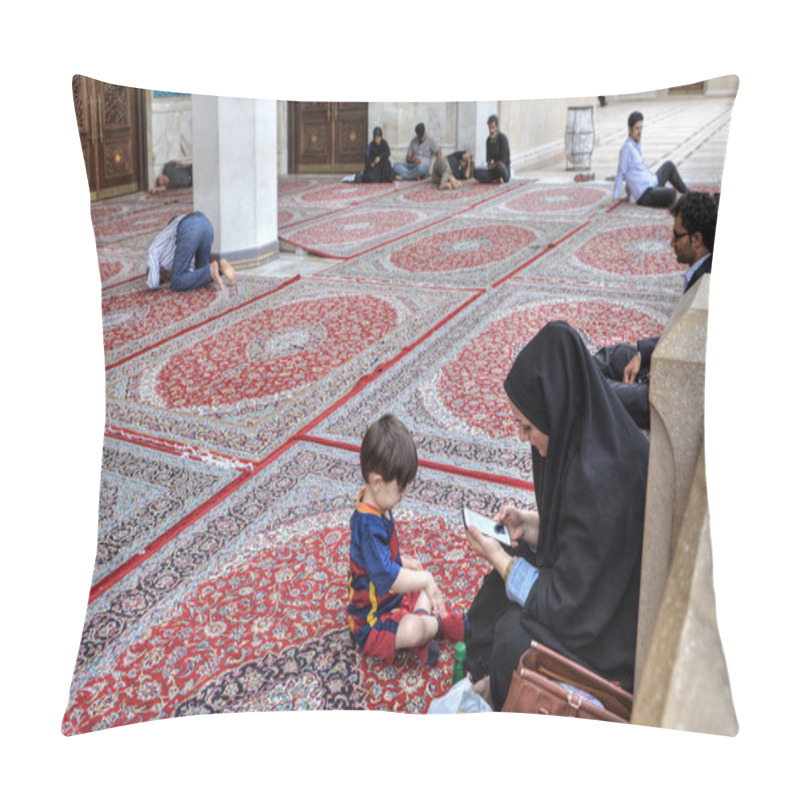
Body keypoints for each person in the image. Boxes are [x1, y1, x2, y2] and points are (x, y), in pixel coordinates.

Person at [463, 321, 648, 710]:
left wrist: (499, 557)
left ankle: (502, 689)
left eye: (528, 427)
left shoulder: (602, 478)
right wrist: (528, 524)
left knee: (512, 637)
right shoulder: (586, 436)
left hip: (608, 630)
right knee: (498, 591)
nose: (522, 438)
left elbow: (568, 603)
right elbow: (576, 533)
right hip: (590, 589)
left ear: (557, 411)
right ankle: (492, 683)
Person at [346, 414, 467, 667]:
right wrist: (424, 579)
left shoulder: (379, 505)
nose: (405, 493)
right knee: (415, 618)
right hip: (370, 622)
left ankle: (424, 629)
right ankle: (437, 625)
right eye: (400, 488)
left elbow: (381, 559)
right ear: (378, 482)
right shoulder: (367, 525)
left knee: (420, 580)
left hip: (390, 599)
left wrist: (404, 562)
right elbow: (387, 576)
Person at [593, 191, 718, 428]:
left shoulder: (708, 284)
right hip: (668, 366)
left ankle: (564, 389)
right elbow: (684, 335)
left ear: (697, 240)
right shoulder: (700, 271)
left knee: (600, 393)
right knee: (615, 355)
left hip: (674, 396)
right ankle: (565, 376)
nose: (671, 242)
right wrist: (642, 354)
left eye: (676, 235)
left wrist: (651, 372)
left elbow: (691, 355)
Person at [146, 210, 236, 292]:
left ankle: (210, 270)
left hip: (189, 227)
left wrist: (153, 283)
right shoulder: (175, 257)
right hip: (206, 225)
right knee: (200, 272)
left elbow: (153, 250)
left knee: (176, 283)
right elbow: (193, 271)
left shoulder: (171, 230)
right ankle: (221, 269)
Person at [613, 111, 688, 207]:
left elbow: (631, 174)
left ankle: (689, 195)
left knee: (669, 166)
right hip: (645, 194)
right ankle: (683, 198)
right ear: (629, 129)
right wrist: (615, 198)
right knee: (672, 193)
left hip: (653, 182)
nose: (639, 132)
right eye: (636, 128)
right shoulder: (626, 149)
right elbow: (621, 173)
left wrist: (628, 195)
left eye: (641, 128)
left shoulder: (636, 145)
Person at [474, 115, 511, 184]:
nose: (491, 130)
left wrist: (493, 166)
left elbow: (502, 161)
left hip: (503, 169)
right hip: (493, 170)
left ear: (497, 127)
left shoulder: (503, 139)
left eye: (493, 127)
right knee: (475, 172)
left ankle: (498, 179)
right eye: (489, 128)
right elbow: (488, 161)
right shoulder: (488, 140)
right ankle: (495, 179)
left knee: (500, 167)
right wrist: (489, 165)